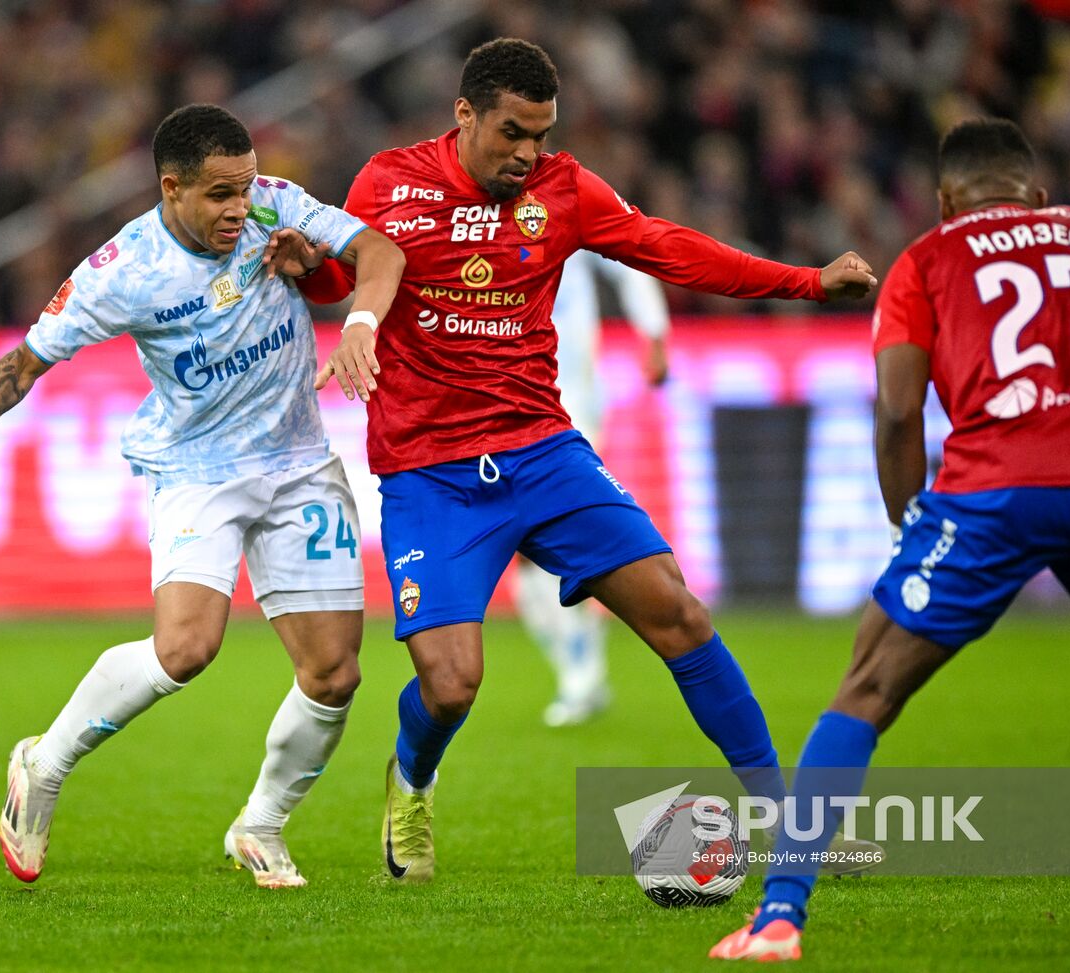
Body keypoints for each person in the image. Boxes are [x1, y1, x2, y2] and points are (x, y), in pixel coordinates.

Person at [294, 37, 878, 885]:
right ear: (464, 116)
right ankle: (412, 779)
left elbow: (667, 246)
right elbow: (337, 276)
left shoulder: (564, 189)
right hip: (431, 471)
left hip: (544, 452)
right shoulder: (388, 182)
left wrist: (806, 284)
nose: (529, 153)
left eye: (542, 134)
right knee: (452, 683)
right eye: (512, 133)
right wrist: (304, 268)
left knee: (677, 612)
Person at [710, 118, 1070, 963]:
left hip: (999, 486)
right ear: (1040, 194)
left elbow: (898, 408)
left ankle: (777, 918)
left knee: (867, 687)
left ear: (947, 201)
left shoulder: (928, 258)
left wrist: (908, 520)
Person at [0, 104, 405, 890]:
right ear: (172, 188)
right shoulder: (122, 270)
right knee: (187, 648)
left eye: (246, 187)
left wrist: (359, 320)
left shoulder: (274, 202)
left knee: (335, 674)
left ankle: (260, 825)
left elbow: (376, 249)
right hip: (198, 467)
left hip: (299, 461)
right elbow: (26, 361)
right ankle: (44, 763)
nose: (242, 209)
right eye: (221, 195)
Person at [516, 250, 670, 727]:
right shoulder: (475, 215)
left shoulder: (565, 203)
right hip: (504, 407)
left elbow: (632, 259)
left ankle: (581, 674)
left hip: (568, 407)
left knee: (541, 546)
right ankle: (581, 666)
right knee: (528, 559)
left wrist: (656, 335)